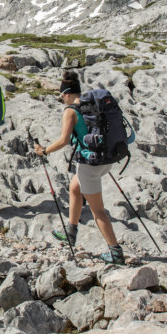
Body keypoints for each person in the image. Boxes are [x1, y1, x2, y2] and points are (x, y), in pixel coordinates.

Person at [34, 70, 125, 265]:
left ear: (66, 94)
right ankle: (71, 232)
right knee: (74, 188)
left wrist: (44, 151)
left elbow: (63, 140)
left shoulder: (70, 111)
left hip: (90, 164)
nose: (62, 100)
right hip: (106, 160)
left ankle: (115, 252)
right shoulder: (90, 106)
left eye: (61, 96)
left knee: (97, 211)